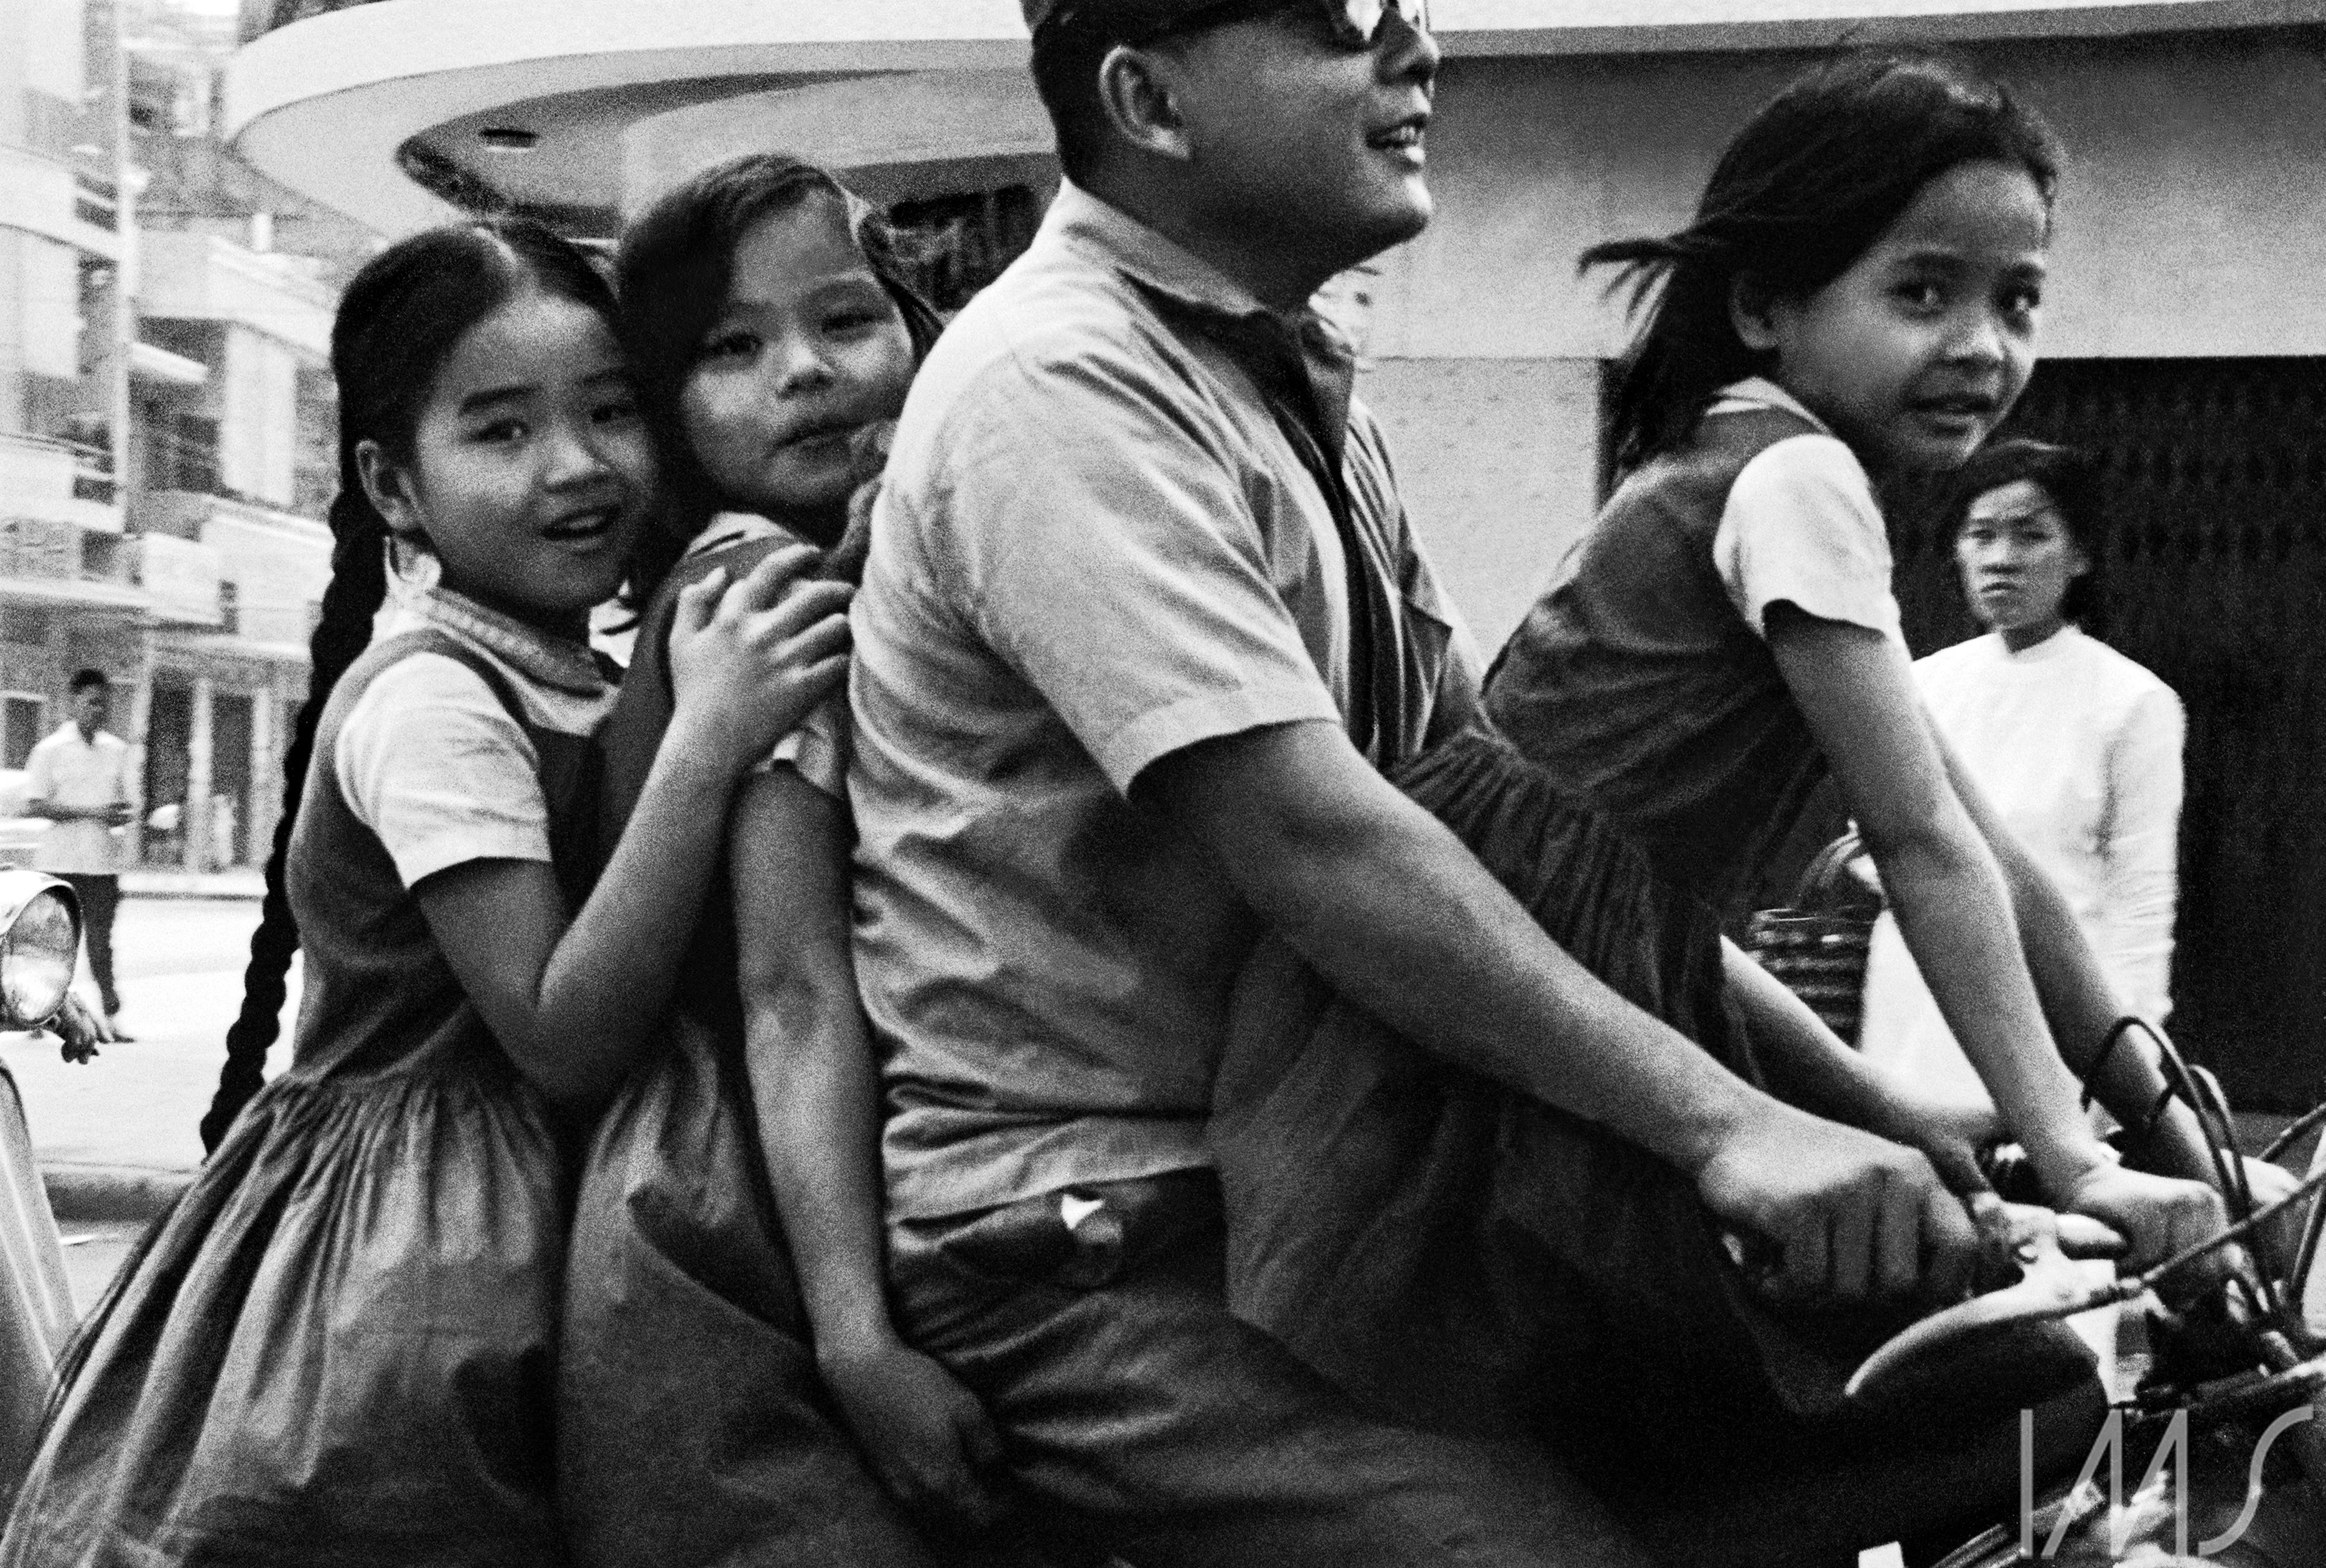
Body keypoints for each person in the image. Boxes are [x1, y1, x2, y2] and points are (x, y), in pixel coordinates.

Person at [849, 7, 2014, 1564]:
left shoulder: (1288, 380)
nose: (1418, 50)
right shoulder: (1056, 385)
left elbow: (1503, 853)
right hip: (1106, 1232)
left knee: (2000, 1408)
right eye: (1346, 19)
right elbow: (1319, 840)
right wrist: (1725, 1125)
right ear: (1150, 101)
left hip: (1341, 1188)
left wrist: (1877, 1120)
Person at [1212, 49, 2289, 1563]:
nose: (1981, 345)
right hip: (1515, 1088)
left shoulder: (1740, 469)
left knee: (1923, 1388)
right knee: (2001, 1401)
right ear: (1769, 306)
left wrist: (2158, 1129)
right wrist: (2078, 1153)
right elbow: (1923, 848)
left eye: (2019, 301)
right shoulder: (1798, 485)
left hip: (1498, 1055)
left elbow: (1963, 854)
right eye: (1923, 293)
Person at [1, 218, 847, 1566]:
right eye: (502, 431)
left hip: (531, 1219)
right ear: (395, 487)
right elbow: (559, 1031)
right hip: (411, 1260)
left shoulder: (579, 672)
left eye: (610, 411)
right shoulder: (434, 705)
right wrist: (705, 746)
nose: (575, 464)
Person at [555, 153, 1010, 1567]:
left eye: (845, 320)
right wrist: (857, 1338)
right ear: (665, 409)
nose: (802, 373)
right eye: (731, 350)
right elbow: (791, 989)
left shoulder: (810, 565)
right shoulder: (766, 591)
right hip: (739, 1211)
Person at [1860, 439, 2183, 1109]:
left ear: (2080, 555)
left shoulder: (2131, 701)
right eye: (1982, 535)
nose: (2001, 558)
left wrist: (2131, 1065)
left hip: (2053, 1008)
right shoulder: (1917, 687)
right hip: (1917, 999)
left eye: (2031, 536)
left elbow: (2142, 899)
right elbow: (1874, 846)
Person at [22, 671, 133, 1034]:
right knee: (53, 946)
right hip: (60, 863)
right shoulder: (50, 750)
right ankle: (38, 1014)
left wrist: (119, 814)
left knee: (101, 944)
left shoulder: (117, 751)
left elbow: (123, 804)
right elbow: (35, 804)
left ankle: (112, 1017)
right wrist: (91, 812)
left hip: (101, 863)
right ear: (75, 703)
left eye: (104, 704)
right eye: (92, 702)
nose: (98, 710)